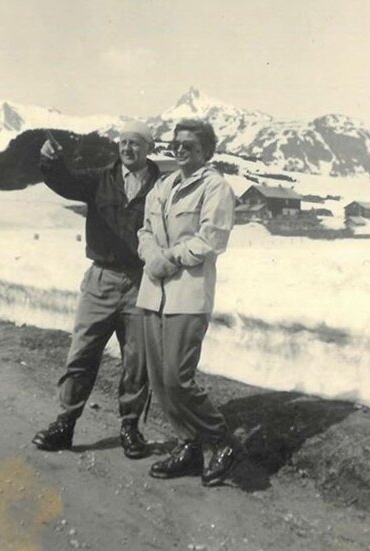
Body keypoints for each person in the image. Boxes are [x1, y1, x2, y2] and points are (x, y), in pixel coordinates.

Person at [32, 121, 159, 459]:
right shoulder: (100, 179)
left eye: (135, 143)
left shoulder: (163, 185)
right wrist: (51, 162)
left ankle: (130, 427)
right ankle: (66, 422)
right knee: (82, 354)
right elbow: (64, 181)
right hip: (100, 279)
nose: (127, 148)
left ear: (149, 148)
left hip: (142, 282)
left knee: (137, 361)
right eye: (123, 142)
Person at [136, 118, 238, 486]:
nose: (181, 150)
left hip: (187, 296)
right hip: (153, 292)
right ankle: (189, 447)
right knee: (159, 381)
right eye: (177, 144)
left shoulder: (215, 188)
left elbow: (211, 239)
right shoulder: (163, 186)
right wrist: (150, 255)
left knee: (178, 379)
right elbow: (145, 230)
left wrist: (170, 258)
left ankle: (222, 440)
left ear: (206, 151)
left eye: (190, 146)